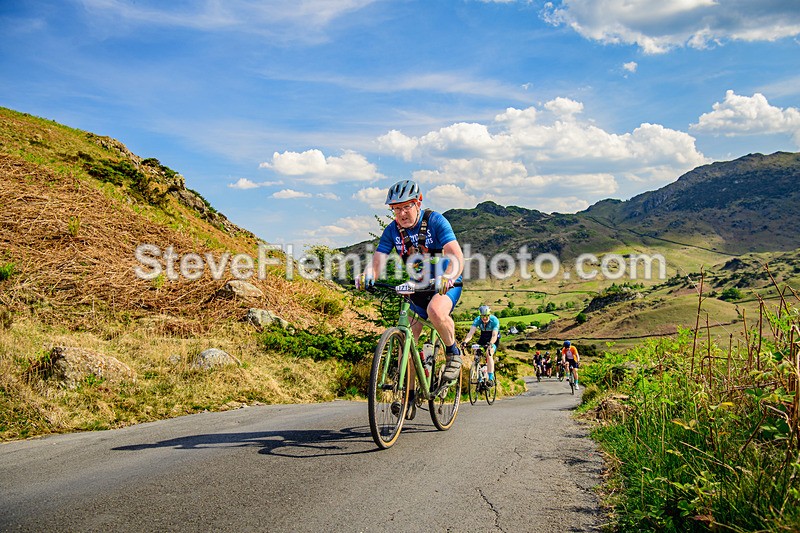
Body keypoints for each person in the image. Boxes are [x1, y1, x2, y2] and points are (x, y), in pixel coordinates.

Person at [356, 179, 465, 382]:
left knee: (435, 311)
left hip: (445, 283)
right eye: (396, 209)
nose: (402, 213)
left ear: (418, 203)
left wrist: (448, 277)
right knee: (407, 339)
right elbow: (377, 262)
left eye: (407, 206)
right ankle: (409, 394)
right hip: (418, 285)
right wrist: (368, 276)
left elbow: (456, 256)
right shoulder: (392, 231)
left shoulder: (436, 221)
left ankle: (453, 353)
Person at [461, 304, 500, 386]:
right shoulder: (477, 320)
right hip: (483, 338)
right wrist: (465, 342)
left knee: (489, 354)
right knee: (476, 354)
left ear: (489, 315)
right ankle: (479, 374)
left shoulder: (494, 320)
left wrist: (491, 344)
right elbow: (471, 333)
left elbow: (494, 335)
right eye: (482, 316)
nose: (484, 318)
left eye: (486, 316)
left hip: (493, 339)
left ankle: (490, 378)